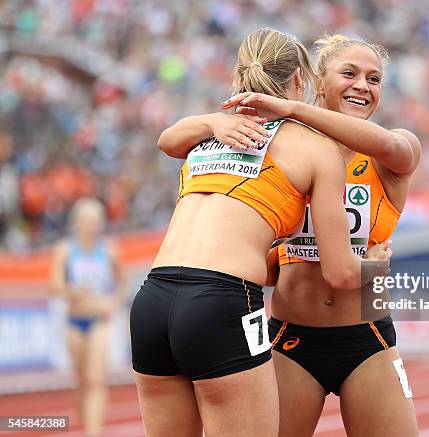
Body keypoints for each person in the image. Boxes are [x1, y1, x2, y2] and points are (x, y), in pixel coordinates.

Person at [132, 28, 391, 437]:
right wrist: (376, 268)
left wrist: (212, 119)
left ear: (240, 76)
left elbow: (166, 140)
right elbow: (341, 273)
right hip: (222, 301)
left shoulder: (208, 135)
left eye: (373, 78)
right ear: (304, 82)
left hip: (152, 299)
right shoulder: (315, 148)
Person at [50, 197, 130, 437]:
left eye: (94, 221)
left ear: (101, 224)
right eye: (85, 220)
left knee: (96, 380)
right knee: (82, 381)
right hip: (74, 321)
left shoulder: (109, 250)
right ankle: (87, 427)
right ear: (76, 223)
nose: (90, 226)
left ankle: (93, 433)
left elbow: (123, 284)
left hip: (99, 321)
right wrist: (72, 292)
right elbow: (54, 285)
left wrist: (113, 304)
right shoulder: (65, 250)